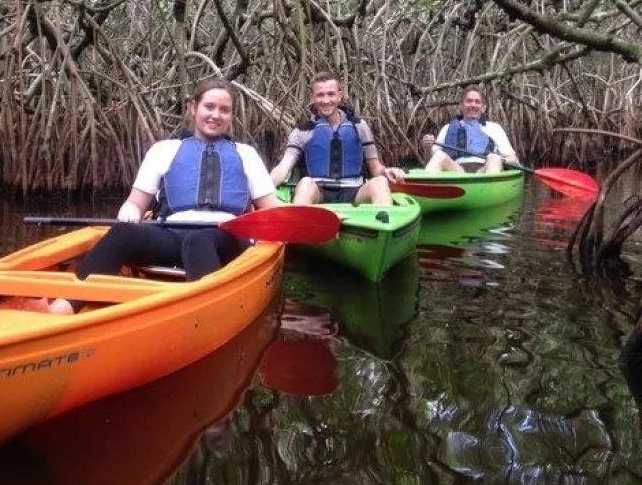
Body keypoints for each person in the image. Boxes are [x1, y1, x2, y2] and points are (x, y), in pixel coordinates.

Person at [45, 78, 282, 314]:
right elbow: (135, 204)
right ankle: (64, 307)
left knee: (199, 241)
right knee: (123, 232)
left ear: (231, 116)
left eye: (224, 110)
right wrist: (130, 212)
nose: (216, 115)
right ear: (193, 108)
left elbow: (271, 210)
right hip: (173, 234)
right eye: (209, 107)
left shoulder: (246, 154)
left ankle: (205, 313)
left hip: (227, 237)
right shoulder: (163, 150)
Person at [270, 71, 404, 205]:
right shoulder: (302, 131)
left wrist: (386, 171)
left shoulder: (359, 126)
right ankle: (302, 223)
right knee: (305, 184)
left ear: (340, 96)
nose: (326, 100)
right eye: (320, 95)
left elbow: (376, 169)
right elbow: (283, 168)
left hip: (355, 192)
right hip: (318, 193)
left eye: (331, 94)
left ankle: (383, 222)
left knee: (380, 183)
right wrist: (262, 190)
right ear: (313, 97)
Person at [421, 86, 519, 173]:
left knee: (494, 157)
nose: (473, 105)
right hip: (457, 171)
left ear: (483, 108)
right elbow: (431, 159)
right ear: (461, 105)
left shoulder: (494, 128)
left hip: (483, 170)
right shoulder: (447, 128)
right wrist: (428, 147)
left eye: (477, 102)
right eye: (469, 101)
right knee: (439, 156)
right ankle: (424, 189)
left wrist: (505, 160)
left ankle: (490, 189)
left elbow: (512, 158)